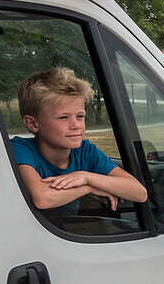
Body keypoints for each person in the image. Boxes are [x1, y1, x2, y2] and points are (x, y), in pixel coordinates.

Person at [12, 67, 147, 215]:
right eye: (63, 117)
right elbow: (43, 198)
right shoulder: (20, 149)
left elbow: (139, 193)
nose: (76, 125)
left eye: (80, 116)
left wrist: (86, 176)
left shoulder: (86, 152)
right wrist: (89, 187)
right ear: (33, 124)